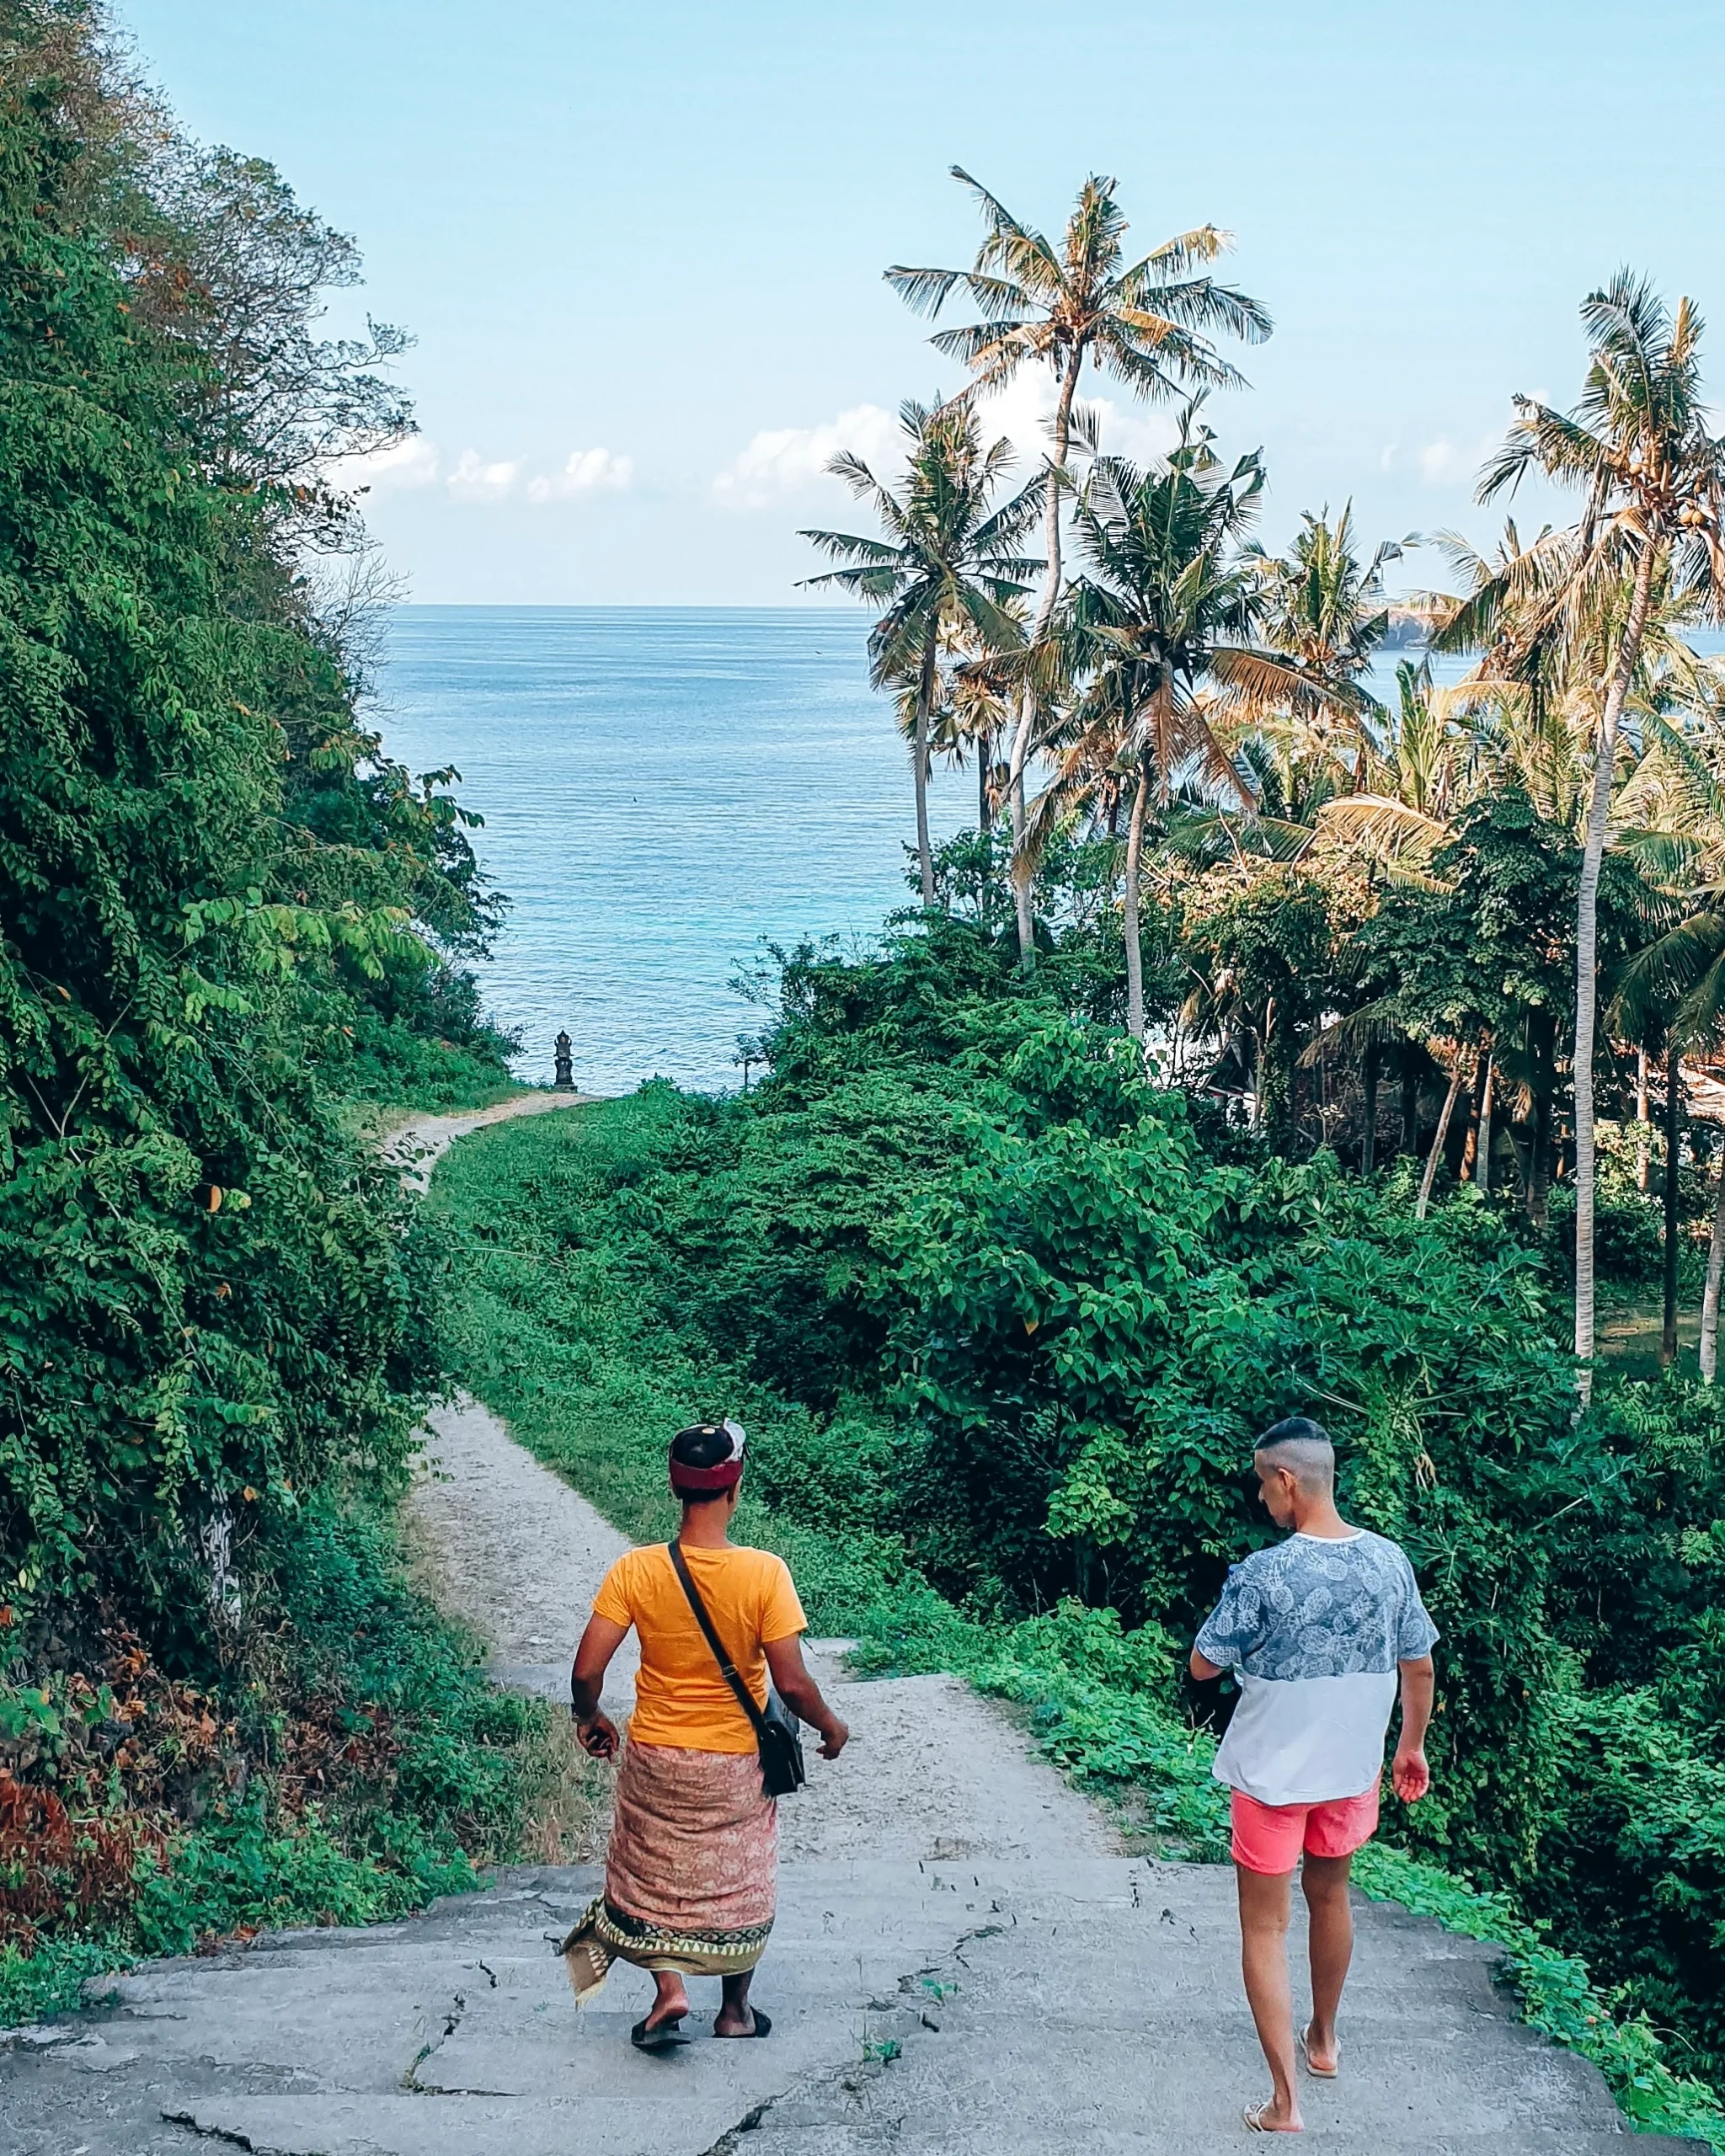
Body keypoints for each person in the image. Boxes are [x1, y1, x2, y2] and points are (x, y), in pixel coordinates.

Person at [559, 1419, 850, 2052]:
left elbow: (586, 1670)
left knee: (652, 1871)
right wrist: (832, 1727)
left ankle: (669, 1990)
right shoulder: (765, 1574)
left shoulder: (636, 1571)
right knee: (738, 1876)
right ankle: (735, 2012)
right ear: (735, 1486)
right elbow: (792, 1683)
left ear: (673, 1485)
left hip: (658, 1756)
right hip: (734, 1763)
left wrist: (590, 1717)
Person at [1188, 1417, 1438, 2135]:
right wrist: (1410, 1748)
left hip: (1271, 1778)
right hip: (1351, 1770)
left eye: (1263, 1483)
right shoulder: (1390, 1562)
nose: (1262, 1497)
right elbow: (1417, 1665)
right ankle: (1323, 2042)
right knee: (1331, 1898)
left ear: (1286, 1480)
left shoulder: (1266, 1573)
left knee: (1264, 1929)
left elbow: (1203, 1664)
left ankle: (1284, 2103)